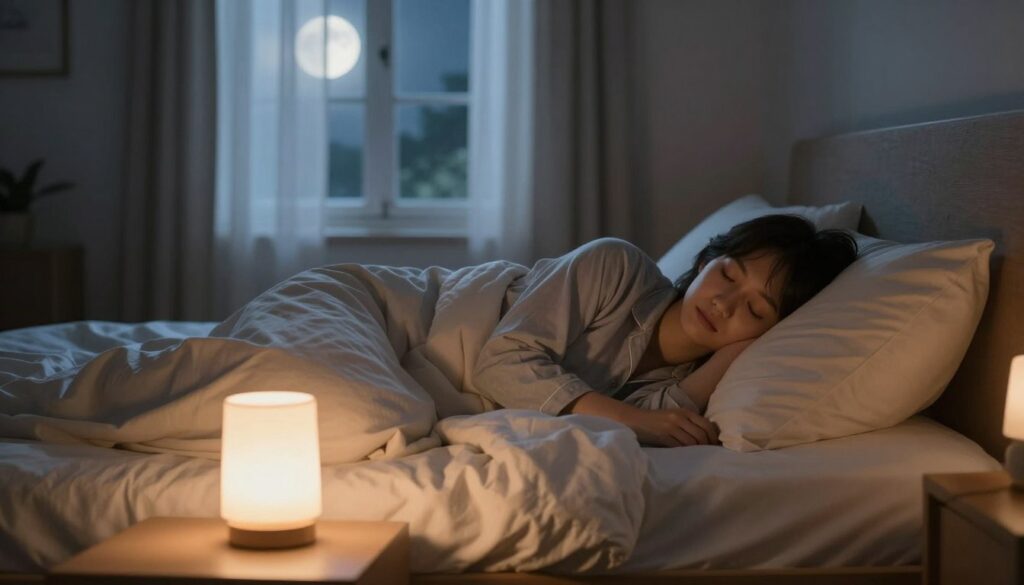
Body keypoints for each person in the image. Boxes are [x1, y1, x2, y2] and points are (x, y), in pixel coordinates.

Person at [470, 214, 858, 448]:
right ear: (706, 259)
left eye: (755, 309)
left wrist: (727, 359)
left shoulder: (690, 385)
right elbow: (500, 363)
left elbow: (653, 428)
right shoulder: (615, 266)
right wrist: (629, 419)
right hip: (431, 322)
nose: (724, 303)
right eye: (727, 273)